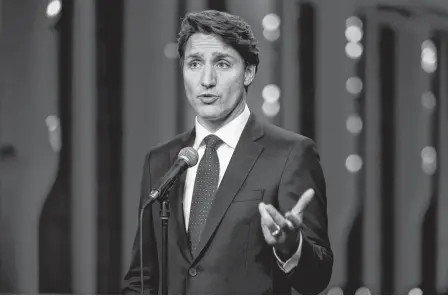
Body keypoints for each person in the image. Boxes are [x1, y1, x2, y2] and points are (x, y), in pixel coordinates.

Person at [122, 10, 333, 294]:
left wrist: (291, 246)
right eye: (195, 64)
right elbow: (141, 280)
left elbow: (317, 280)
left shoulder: (291, 154)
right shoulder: (161, 161)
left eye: (222, 64)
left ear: (249, 71)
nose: (206, 80)